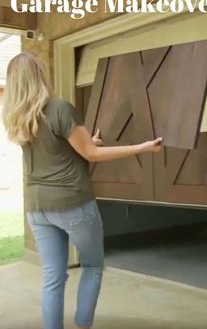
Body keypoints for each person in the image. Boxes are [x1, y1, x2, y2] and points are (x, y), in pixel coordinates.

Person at [2, 52, 163, 329]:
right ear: (40, 75)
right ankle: (83, 324)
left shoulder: (15, 117)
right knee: (91, 266)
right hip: (73, 203)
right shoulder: (59, 108)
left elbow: (58, 146)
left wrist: (88, 141)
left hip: (38, 208)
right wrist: (142, 148)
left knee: (53, 276)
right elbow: (91, 154)